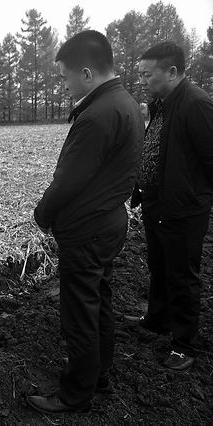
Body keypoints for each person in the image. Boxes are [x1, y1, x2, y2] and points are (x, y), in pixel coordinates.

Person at [28, 30, 144, 414]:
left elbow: (69, 180)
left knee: (79, 312)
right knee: (99, 301)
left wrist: (42, 214)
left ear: (87, 73)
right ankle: (99, 375)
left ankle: (76, 393)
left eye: (65, 77)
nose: (64, 86)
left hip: (87, 229)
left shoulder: (97, 115)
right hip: (109, 222)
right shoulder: (126, 103)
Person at [132, 41, 213, 370]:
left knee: (182, 275)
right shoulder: (161, 103)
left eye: (147, 74)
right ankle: (158, 318)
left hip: (183, 209)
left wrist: (195, 198)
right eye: (140, 74)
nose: (142, 81)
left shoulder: (196, 104)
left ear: (172, 72)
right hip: (156, 203)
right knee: (159, 265)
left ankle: (184, 345)